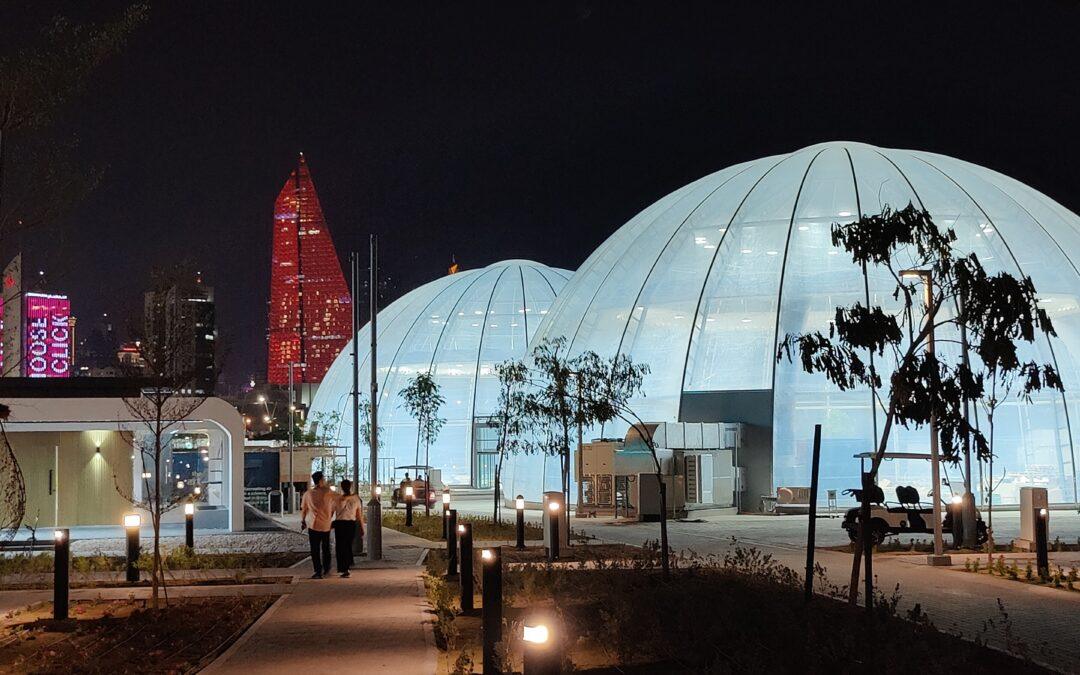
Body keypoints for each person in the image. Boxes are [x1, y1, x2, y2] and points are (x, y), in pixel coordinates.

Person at [300, 471, 336, 579]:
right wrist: (330, 517)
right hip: (325, 525)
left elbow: (304, 509)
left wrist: (303, 521)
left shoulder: (308, 494)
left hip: (313, 525)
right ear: (321, 480)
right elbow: (334, 507)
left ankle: (318, 571)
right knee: (326, 548)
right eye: (323, 478)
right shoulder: (329, 492)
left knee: (314, 550)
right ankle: (327, 568)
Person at [332, 479, 364, 577]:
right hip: (351, 524)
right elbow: (359, 515)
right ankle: (347, 566)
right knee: (348, 545)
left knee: (340, 546)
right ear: (350, 486)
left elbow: (331, 512)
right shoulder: (356, 498)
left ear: (341, 487)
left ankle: (343, 568)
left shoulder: (337, 498)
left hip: (340, 523)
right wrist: (362, 527)